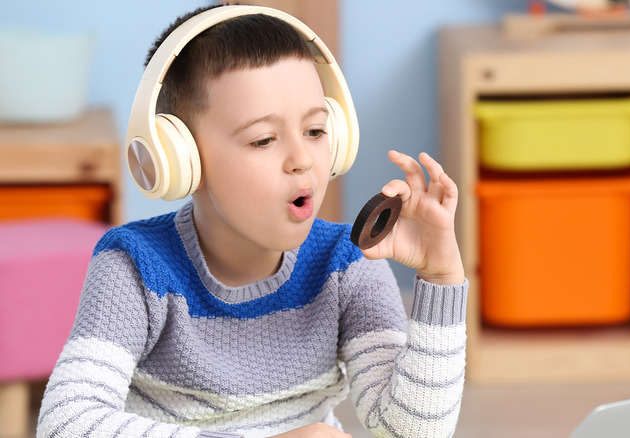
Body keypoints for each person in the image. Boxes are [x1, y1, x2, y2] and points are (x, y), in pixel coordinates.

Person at [37, 5, 467, 438]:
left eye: (316, 131)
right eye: (263, 140)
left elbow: (410, 431)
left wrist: (441, 278)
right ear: (180, 159)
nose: (302, 160)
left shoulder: (348, 265)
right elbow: (67, 423)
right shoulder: (133, 268)